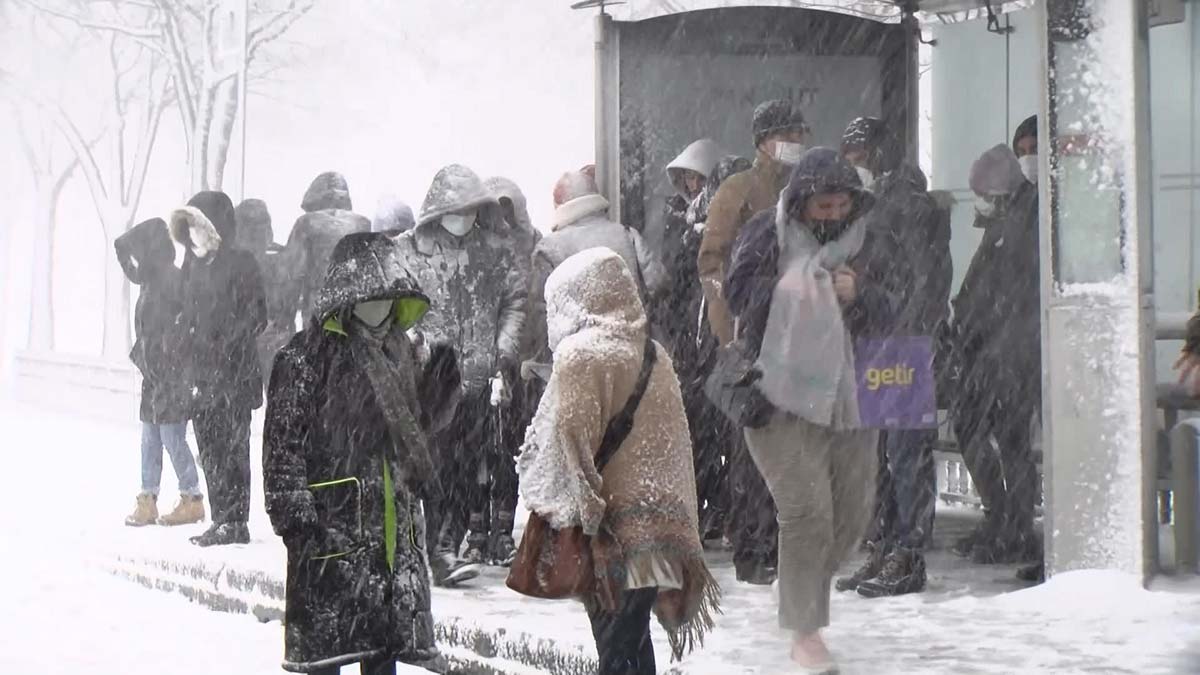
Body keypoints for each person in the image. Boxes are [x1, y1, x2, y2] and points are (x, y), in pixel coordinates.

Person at [517, 247, 719, 675]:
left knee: (614, 649)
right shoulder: (655, 353)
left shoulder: (580, 358)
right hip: (663, 527)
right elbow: (675, 444)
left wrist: (590, 521)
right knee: (631, 640)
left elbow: (573, 445)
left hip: (613, 532)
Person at [264, 232, 453, 675]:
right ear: (344, 299)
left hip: (389, 528)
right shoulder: (305, 356)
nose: (380, 308)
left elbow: (413, 431)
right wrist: (296, 519)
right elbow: (283, 442)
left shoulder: (400, 351)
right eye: (370, 298)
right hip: (331, 527)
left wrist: (440, 388)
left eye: (389, 299)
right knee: (327, 655)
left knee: (380, 651)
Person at [726, 147, 884, 673]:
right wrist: (790, 291)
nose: (834, 215)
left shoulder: (870, 240)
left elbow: (908, 300)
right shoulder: (763, 233)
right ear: (799, 203)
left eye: (842, 205)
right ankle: (805, 630)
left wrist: (859, 293)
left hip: (851, 395)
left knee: (852, 514)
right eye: (823, 206)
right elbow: (737, 292)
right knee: (807, 514)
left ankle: (806, 594)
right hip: (778, 396)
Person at [835, 117, 952, 598]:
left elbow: (923, 285)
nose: (852, 164)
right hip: (881, 340)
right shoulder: (879, 205)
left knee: (904, 454)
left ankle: (907, 552)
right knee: (881, 455)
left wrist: (865, 291)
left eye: (858, 153)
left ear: (880, 153)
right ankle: (886, 545)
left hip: (902, 342)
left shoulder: (908, 207)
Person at [395, 164, 526, 586]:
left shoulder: (494, 250)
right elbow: (394, 308)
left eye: (473, 208)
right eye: (458, 208)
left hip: (479, 380)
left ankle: (444, 546)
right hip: (430, 381)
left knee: (468, 470)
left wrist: (502, 351)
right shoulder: (408, 250)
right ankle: (435, 548)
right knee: (432, 468)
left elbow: (515, 301)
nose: (466, 216)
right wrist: (417, 345)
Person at [699, 99, 810, 584]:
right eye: (784, 132)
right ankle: (754, 548)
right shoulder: (739, 188)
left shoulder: (807, 188)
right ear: (762, 139)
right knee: (752, 449)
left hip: (800, 337)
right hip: (753, 338)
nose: (794, 140)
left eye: (798, 131)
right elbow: (713, 263)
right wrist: (731, 334)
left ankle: (787, 546)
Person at [948, 117, 1043, 573]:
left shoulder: (1029, 215)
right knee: (981, 430)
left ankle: (1014, 524)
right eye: (1021, 147)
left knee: (1010, 438)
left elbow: (1012, 288)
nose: (1028, 154)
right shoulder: (1009, 216)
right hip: (990, 350)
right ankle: (1005, 517)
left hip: (1011, 352)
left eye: (1034, 146)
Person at [170, 191, 267, 546]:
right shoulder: (191, 266)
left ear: (215, 226)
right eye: (189, 227)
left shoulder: (243, 263)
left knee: (233, 450)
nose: (193, 233)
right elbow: (183, 312)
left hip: (234, 375)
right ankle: (220, 517)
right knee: (209, 449)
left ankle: (236, 521)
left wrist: (223, 342)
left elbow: (257, 315)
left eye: (198, 225)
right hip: (200, 378)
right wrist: (181, 337)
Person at [526, 168, 666, 367]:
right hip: (632, 354)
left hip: (580, 363)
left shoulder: (548, 249)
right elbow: (658, 283)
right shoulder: (626, 235)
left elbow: (541, 318)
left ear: (560, 204)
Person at [115, 217, 204, 528]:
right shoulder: (151, 278)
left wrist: (168, 354)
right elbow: (126, 255)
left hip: (171, 373)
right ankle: (148, 499)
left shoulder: (171, 278)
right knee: (150, 438)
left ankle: (192, 498)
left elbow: (187, 322)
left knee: (171, 437)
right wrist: (123, 247)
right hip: (154, 374)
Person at [475, 176, 542, 566]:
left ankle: (501, 527)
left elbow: (534, 306)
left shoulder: (535, 245)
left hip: (522, 365)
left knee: (510, 448)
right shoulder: (479, 248)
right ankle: (478, 526)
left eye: (506, 208)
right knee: (482, 448)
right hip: (485, 363)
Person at [284, 171, 372, 322]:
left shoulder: (306, 223)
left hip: (319, 308)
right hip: (354, 309)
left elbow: (293, 276)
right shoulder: (363, 224)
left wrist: (285, 318)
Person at [234, 198, 296, 379]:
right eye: (250, 229)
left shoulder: (282, 260)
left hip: (272, 340)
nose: (256, 234)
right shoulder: (232, 263)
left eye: (260, 227)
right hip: (247, 341)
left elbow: (289, 302)